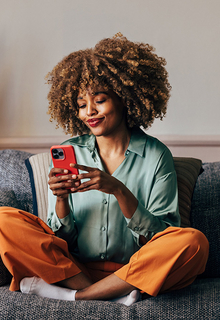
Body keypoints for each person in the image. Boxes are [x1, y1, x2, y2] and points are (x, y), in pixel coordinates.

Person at [0, 33, 209, 305]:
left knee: (193, 242)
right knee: (3, 219)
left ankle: (81, 296)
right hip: (75, 269)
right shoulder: (70, 152)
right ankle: (104, 294)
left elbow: (161, 237)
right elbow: (59, 240)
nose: (90, 113)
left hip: (133, 270)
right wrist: (61, 199)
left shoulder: (156, 155)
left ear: (124, 98)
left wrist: (118, 190)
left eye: (99, 100)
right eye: (82, 105)